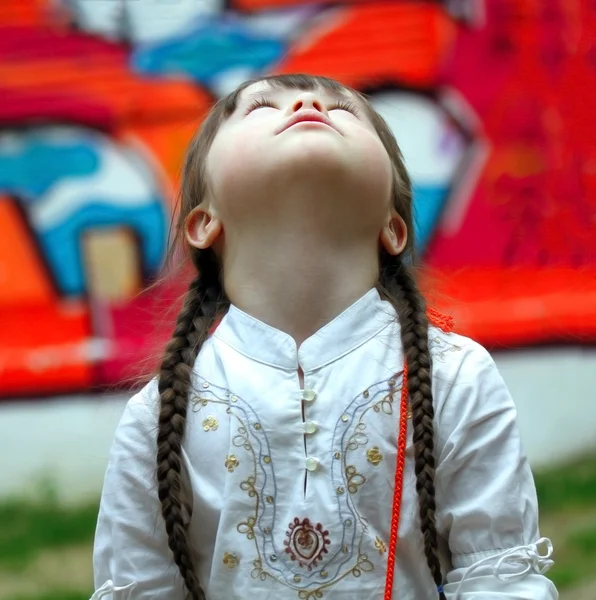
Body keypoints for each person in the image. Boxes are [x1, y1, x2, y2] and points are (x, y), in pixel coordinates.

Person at [91, 74, 558, 600]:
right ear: (203, 222)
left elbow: (500, 580)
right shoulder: (156, 420)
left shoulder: (456, 378)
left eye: (345, 110)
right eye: (261, 106)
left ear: (394, 228)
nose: (310, 104)